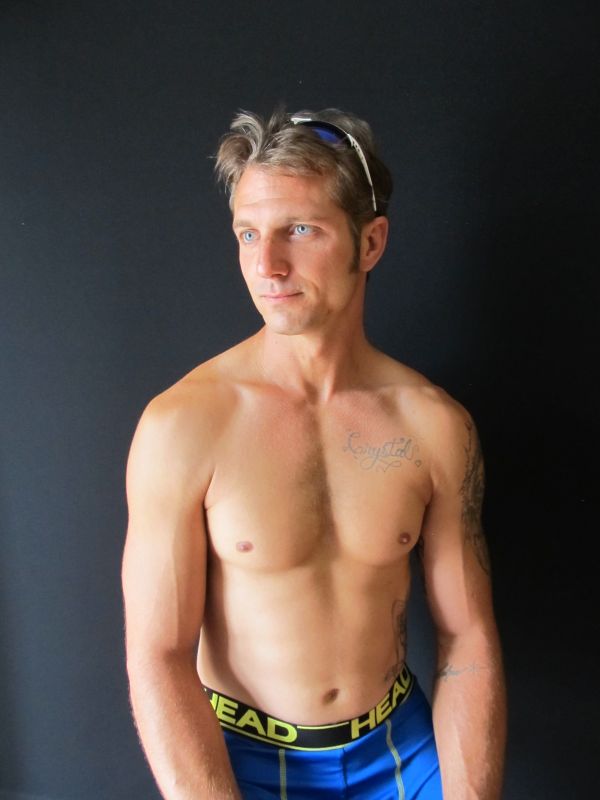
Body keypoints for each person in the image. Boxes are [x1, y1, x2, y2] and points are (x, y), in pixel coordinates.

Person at [121, 106, 507, 800]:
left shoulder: (434, 425)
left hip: (401, 749)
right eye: (248, 233)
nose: (266, 265)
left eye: (299, 229)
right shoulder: (184, 424)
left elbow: (468, 639)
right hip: (240, 758)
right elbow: (158, 654)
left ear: (371, 241)